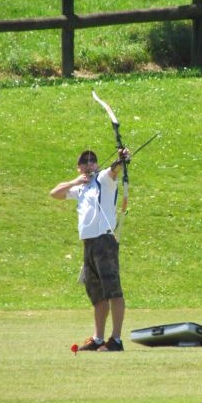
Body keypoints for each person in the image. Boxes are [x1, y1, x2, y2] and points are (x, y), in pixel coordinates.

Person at [50, 148, 130, 352]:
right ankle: (98, 338)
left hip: (104, 240)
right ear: (78, 168)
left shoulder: (103, 180)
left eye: (92, 161)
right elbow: (55, 193)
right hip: (89, 243)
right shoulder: (81, 188)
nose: (89, 164)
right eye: (84, 162)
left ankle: (116, 340)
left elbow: (114, 169)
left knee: (113, 291)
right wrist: (75, 182)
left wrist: (121, 158)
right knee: (97, 295)